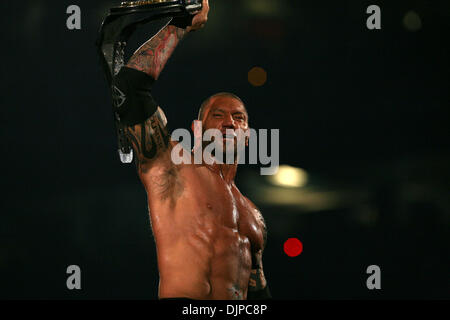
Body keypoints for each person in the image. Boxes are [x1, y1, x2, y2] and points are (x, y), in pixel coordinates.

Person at [112, 0, 270, 300]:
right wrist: (181, 25)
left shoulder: (254, 216)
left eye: (238, 118)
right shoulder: (172, 167)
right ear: (197, 131)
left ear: (247, 137)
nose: (229, 123)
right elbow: (129, 89)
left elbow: (259, 290)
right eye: (217, 116)